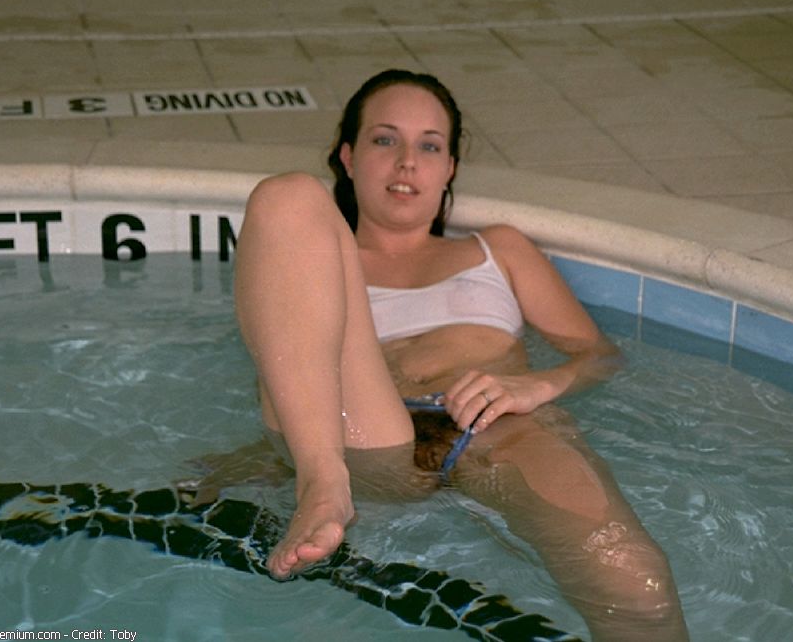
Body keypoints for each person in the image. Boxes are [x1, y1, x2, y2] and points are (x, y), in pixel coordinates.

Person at [233, 69, 689, 641]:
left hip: (496, 428)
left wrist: (538, 385)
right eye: (384, 139)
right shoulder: (313, 254)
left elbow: (599, 357)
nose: (407, 162)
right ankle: (322, 483)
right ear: (347, 156)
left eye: (429, 146)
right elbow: (290, 362)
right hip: (363, 438)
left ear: (449, 167)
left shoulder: (498, 249)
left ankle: (321, 478)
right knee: (286, 195)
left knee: (634, 582)